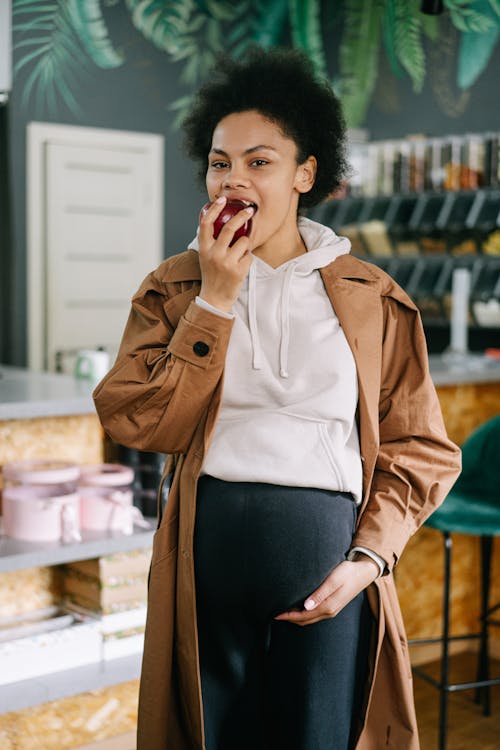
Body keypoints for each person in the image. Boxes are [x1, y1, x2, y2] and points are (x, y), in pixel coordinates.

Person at [93, 47, 461, 750]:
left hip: (331, 573)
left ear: (305, 173)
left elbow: (421, 447)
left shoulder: (373, 296)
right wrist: (216, 301)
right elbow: (140, 422)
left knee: (322, 738)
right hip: (205, 572)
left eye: (258, 162)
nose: (233, 179)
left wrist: (368, 562)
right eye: (219, 162)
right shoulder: (174, 289)